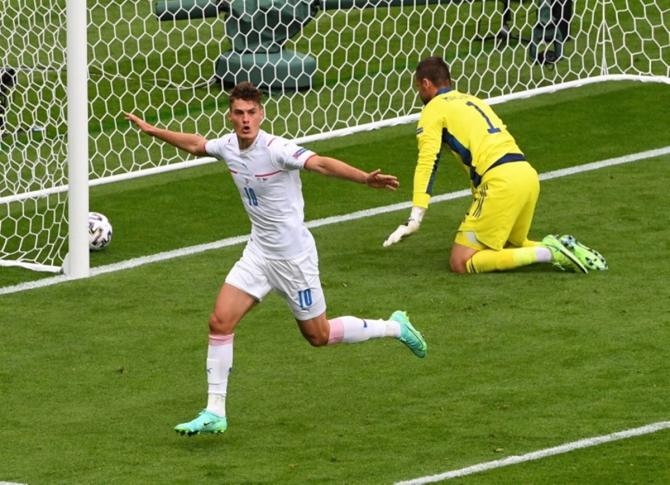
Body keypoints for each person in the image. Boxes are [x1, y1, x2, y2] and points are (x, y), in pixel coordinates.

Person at [125, 81, 427, 437]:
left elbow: (322, 164)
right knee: (220, 322)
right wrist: (152, 130)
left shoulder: (276, 149)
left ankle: (394, 326)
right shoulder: (227, 147)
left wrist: (364, 178)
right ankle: (215, 411)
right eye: (239, 113)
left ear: (262, 114)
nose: (246, 120)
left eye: (252, 113)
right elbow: (196, 144)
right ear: (231, 116)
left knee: (319, 335)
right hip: (258, 253)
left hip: (294, 259)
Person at [383, 56, 607, 274]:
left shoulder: (433, 110)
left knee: (460, 261)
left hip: (500, 182)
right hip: (526, 175)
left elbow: (427, 162)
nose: (419, 94)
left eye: (418, 87)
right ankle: (561, 245)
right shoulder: (472, 100)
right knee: (508, 247)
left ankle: (549, 253)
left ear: (425, 83)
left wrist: (415, 217)